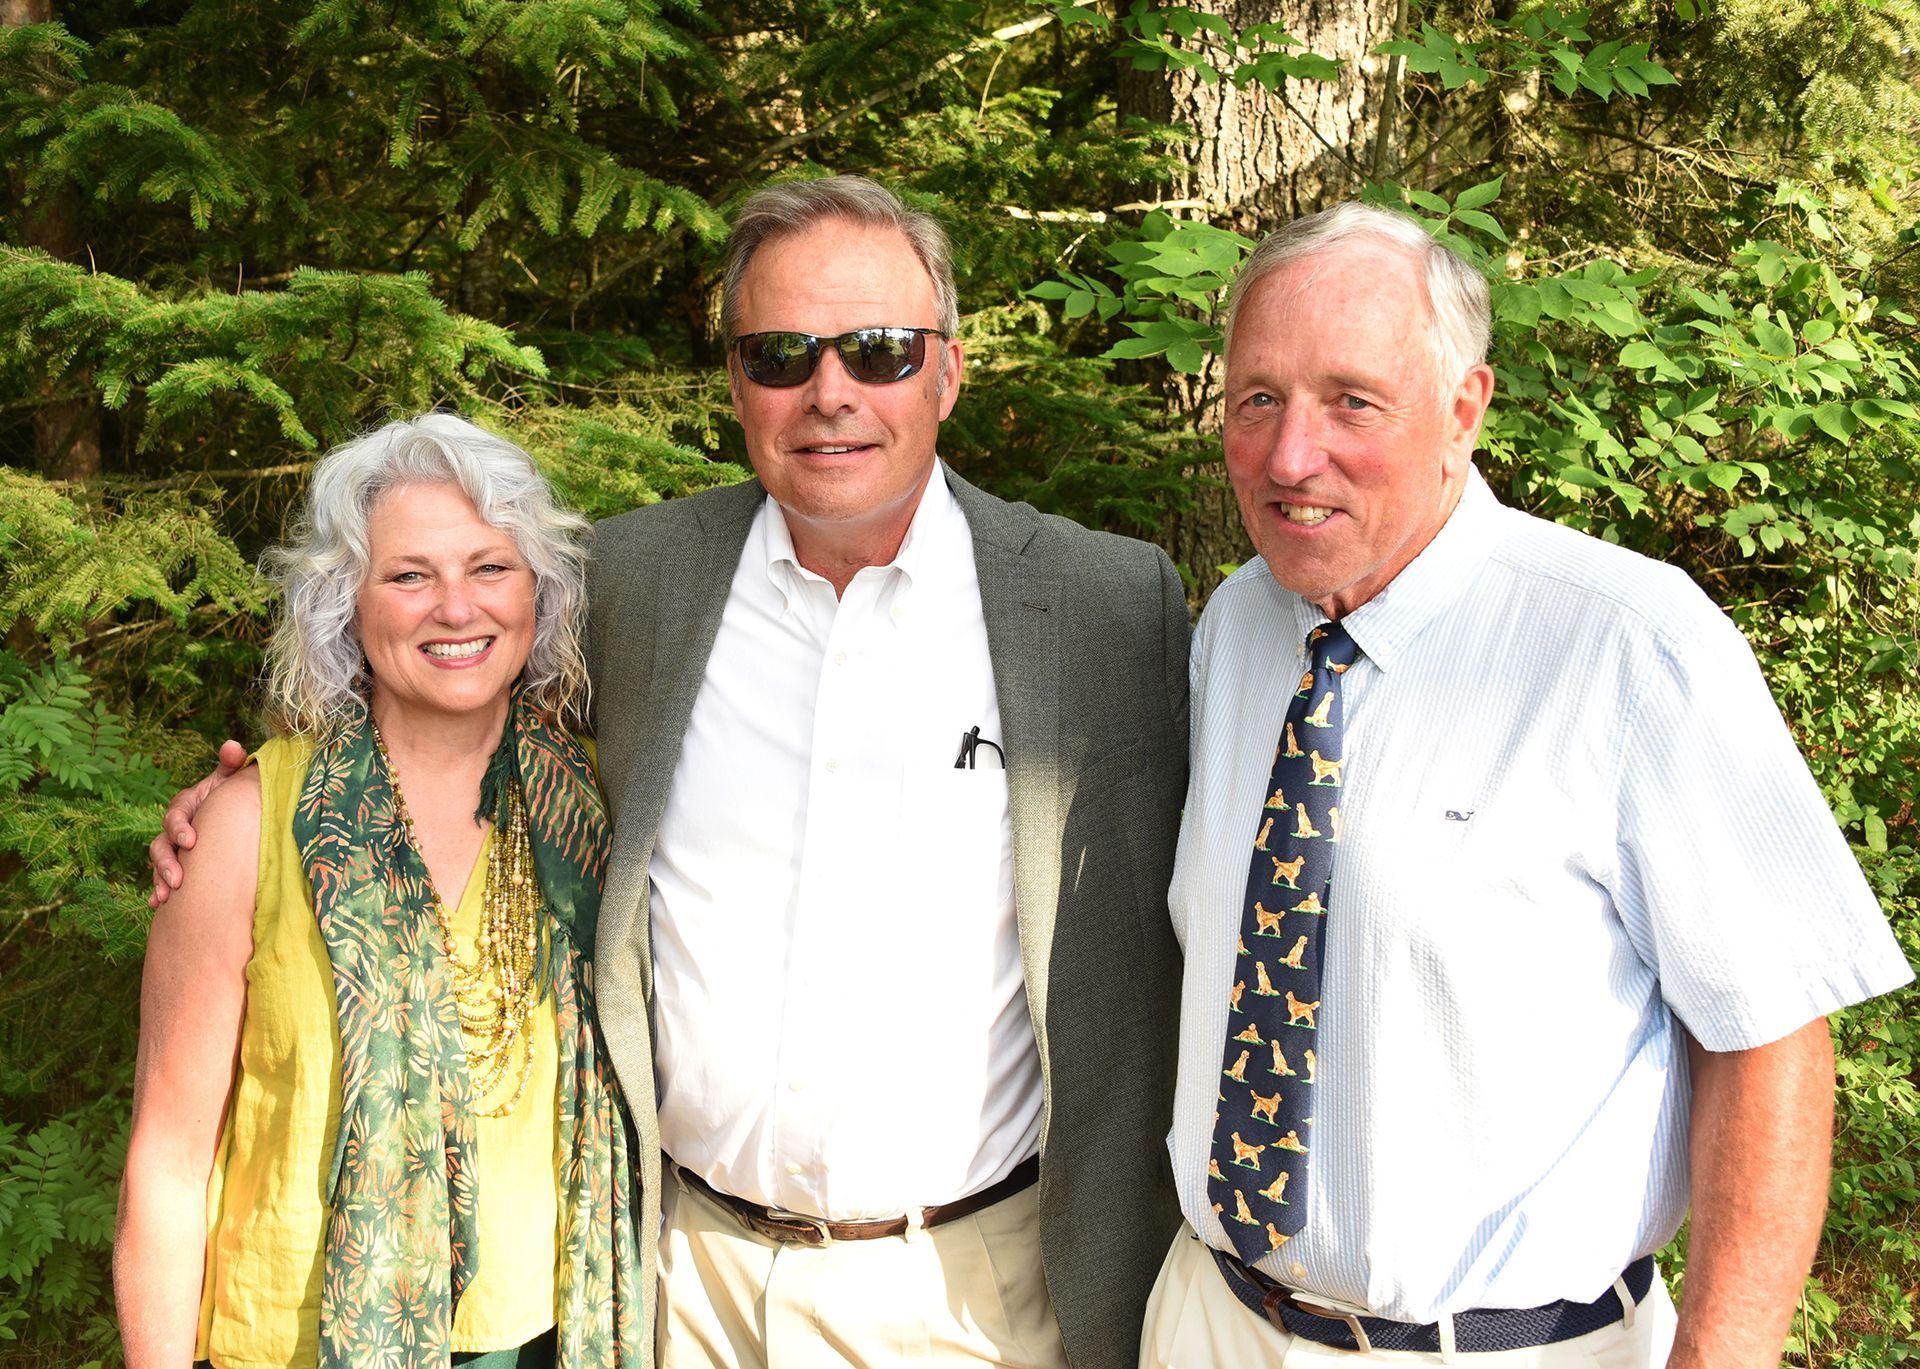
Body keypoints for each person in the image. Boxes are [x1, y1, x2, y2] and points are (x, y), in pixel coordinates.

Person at [151, 177, 1191, 1368]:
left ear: (948, 371)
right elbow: (445, 697)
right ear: (739, 383)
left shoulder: (1109, 606)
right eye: (784, 353)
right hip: (675, 1286)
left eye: (882, 351)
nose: (832, 392)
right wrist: (235, 808)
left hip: (977, 1294)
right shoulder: (635, 584)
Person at [1142, 200, 1915, 1369]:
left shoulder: (1631, 648)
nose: (1291, 455)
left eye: (1352, 400)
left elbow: (1771, 1050)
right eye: (1260, 398)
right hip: (1210, 1325)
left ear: (1464, 409)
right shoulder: (1238, 625)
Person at [119, 415, 641, 1368]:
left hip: (547, 1335)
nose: (456, 608)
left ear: (542, 592)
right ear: (343, 604)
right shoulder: (248, 822)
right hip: (297, 1341)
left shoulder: (600, 807)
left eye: (491, 567)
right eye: (409, 575)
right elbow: (167, 1157)